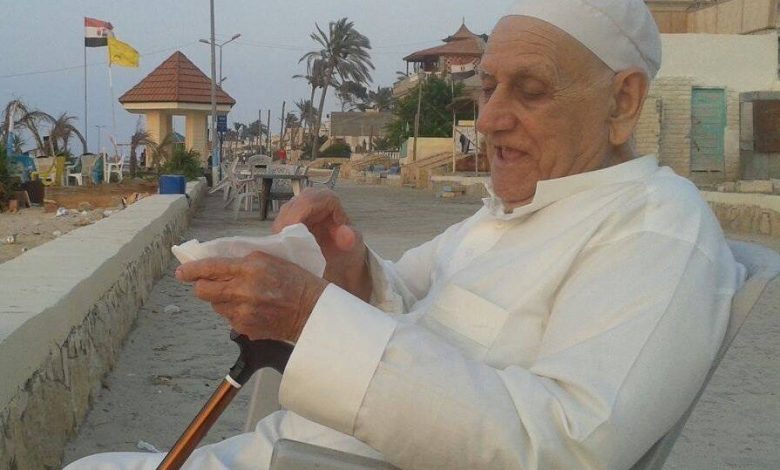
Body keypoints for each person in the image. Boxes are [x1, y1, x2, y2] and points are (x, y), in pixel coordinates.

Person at [66, 1, 745, 469]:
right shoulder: (508, 214)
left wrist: (309, 317)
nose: (490, 119)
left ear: (622, 101)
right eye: (488, 88)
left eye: (530, 91)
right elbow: (407, 298)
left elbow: (568, 448)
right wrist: (349, 265)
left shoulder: (656, 230)